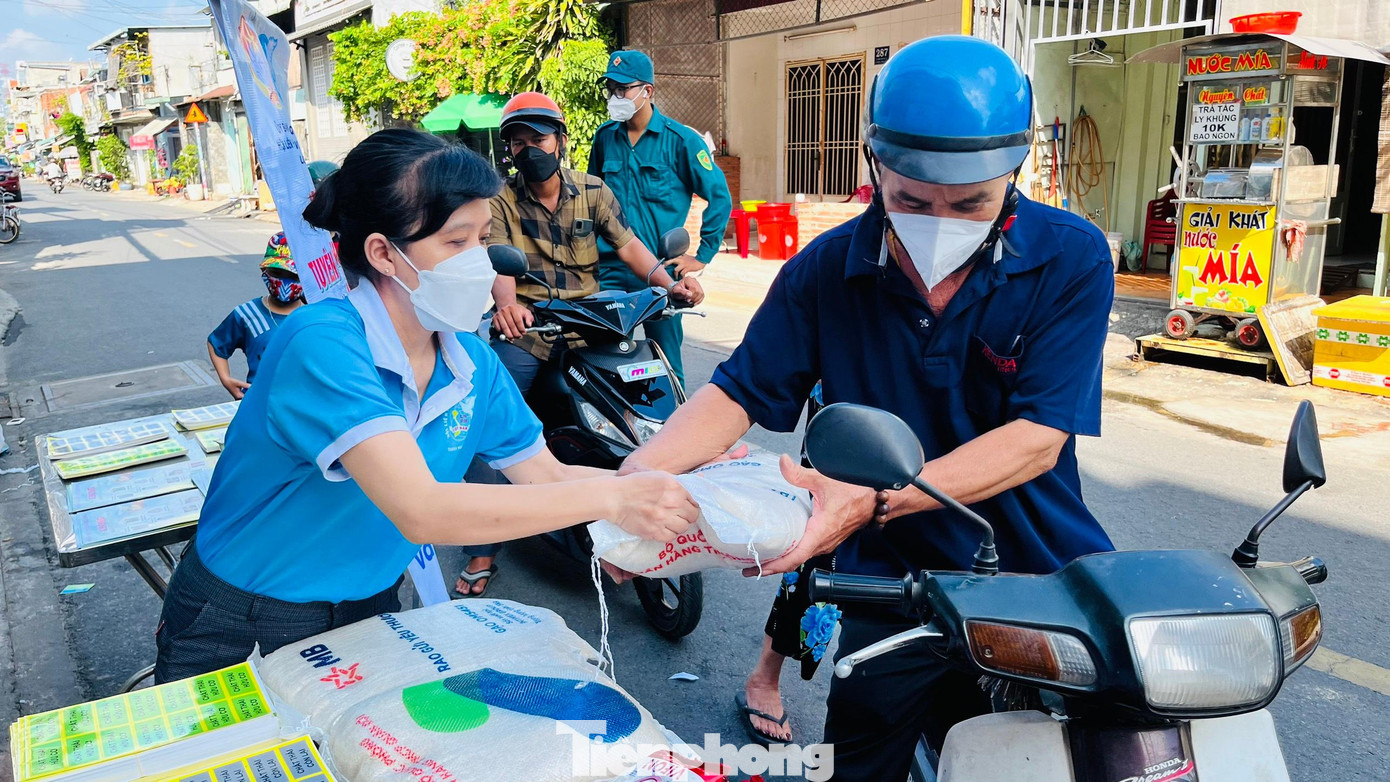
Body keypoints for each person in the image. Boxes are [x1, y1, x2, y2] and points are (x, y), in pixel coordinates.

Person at [619, 37, 1115, 779]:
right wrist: (627, 484)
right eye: (911, 199)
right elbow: (736, 393)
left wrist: (876, 499)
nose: (939, 219)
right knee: (858, 762)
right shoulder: (826, 271)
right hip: (886, 588)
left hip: (1033, 577)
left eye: (971, 202)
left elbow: (1038, 439)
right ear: (874, 164)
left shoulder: (1070, 258)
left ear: (1014, 173)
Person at [153, 128, 698, 683]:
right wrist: (613, 498)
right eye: (455, 243)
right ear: (384, 253)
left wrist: (681, 491)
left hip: (371, 604)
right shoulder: (323, 344)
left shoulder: (473, 364)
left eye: (485, 239)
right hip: (246, 613)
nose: (482, 264)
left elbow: (545, 474)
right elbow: (421, 509)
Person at [454, 92, 705, 597]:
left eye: (539, 139)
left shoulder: (594, 191)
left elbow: (630, 246)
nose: (530, 150)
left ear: (561, 141)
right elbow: (498, 265)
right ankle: (481, 545)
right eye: (519, 143)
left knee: (649, 389)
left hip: (592, 321)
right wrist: (508, 307)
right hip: (531, 328)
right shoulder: (499, 201)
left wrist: (668, 281)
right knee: (490, 414)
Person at [588, 49, 732, 389]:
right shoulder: (605, 138)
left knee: (666, 365)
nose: (616, 96)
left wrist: (701, 255)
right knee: (603, 360)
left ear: (647, 91)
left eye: (623, 89)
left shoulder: (681, 141)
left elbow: (720, 196)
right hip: (610, 269)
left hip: (661, 273)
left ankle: (675, 433)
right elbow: (592, 198)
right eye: (611, 89)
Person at [207, 233, 306, 399]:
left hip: (306, 406)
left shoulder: (315, 314)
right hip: (260, 403)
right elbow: (216, 344)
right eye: (278, 273)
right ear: (264, 271)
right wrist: (226, 380)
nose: (285, 281)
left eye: (293, 275)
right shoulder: (247, 314)